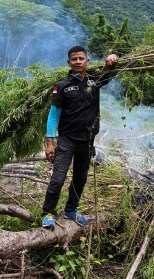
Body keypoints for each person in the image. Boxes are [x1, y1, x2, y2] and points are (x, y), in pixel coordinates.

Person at [42, 45, 117, 228]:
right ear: (69, 62)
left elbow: (113, 71)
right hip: (67, 140)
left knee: (80, 178)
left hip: (87, 140)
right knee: (58, 178)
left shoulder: (95, 80)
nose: (78, 62)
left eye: (81, 58)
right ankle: (47, 213)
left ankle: (70, 210)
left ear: (87, 61)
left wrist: (114, 57)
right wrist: (49, 142)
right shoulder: (61, 86)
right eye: (74, 59)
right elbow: (53, 115)